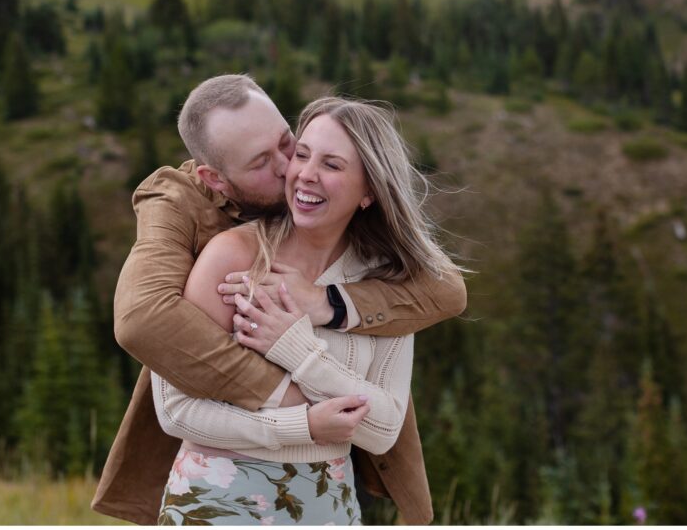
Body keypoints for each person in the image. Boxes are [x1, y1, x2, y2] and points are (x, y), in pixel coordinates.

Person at [91, 75, 467, 525]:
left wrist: (321, 316)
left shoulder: (383, 275)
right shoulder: (218, 244)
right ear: (217, 178)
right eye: (272, 161)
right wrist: (301, 420)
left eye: (290, 145)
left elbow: (384, 426)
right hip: (221, 502)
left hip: (331, 504)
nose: (295, 169)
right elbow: (152, 350)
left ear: (369, 191)